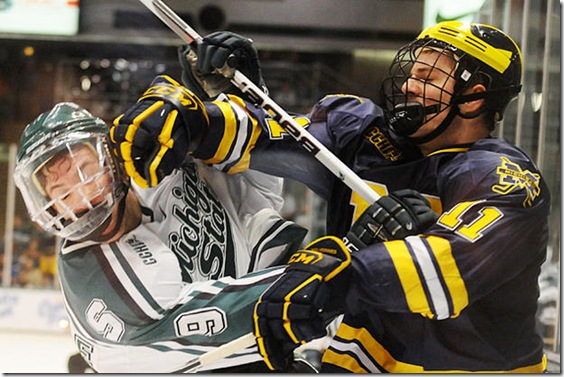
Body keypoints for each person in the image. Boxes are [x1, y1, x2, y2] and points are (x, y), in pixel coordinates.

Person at [110, 20, 551, 373]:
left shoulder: (503, 178)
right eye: (414, 68)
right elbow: (271, 135)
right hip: (353, 361)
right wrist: (197, 116)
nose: (411, 82)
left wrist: (337, 271)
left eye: (430, 76)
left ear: (474, 99)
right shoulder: (360, 128)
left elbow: (447, 270)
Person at [12, 101, 313, 373]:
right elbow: (238, 315)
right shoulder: (106, 283)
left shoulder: (156, 161)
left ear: (110, 157)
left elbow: (251, 188)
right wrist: (320, 281)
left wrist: (223, 102)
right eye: (61, 193)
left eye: (83, 170)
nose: (82, 199)